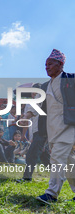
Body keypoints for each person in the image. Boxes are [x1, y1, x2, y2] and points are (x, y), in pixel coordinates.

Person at [36, 49, 75, 204]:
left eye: (50, 64)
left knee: (57, 159)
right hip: (53, 129)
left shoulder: (70, 80)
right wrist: (28, 115)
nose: (47, 67)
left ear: (60, 64)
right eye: (45, 65)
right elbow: (38, 105)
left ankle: (51, 194)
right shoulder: (46, 85)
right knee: (70, 162)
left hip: (68, 128)